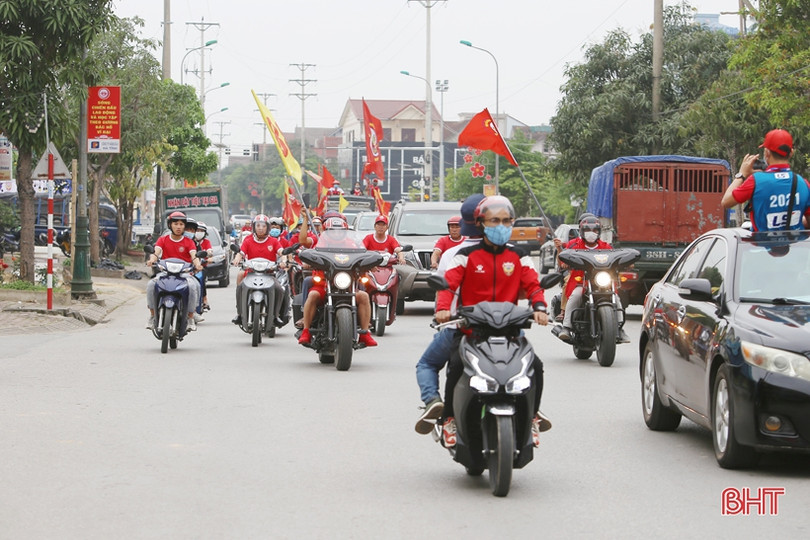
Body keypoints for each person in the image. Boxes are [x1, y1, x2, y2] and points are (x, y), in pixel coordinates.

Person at [435, 196, 552, 449]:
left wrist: (540, 308)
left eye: (506, 221)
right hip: (472, 331)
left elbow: (533, 286)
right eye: (494, 220)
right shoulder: (466, 256)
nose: (501, 226)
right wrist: (443, 309)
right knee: (455, 366)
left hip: (510, 333)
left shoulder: (519, 256)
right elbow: (448, 285)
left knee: (536, 366)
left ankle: (532, 417)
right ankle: (449, 420)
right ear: (481, 223)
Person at [414, 194, 484, 435]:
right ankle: (532, 411)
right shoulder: (509, 253)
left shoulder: (454, 255)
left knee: (427, 364)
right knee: (531, 365)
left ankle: (434, 402)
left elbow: (444, 288)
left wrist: (442, 313)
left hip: (460, 327)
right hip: (502, 327)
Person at [297, 213, 377, 348]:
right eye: (333, 231)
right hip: (324, 284)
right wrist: (305, 219)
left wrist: (370, 264)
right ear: (326, 231)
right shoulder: (319, 242)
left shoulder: (352, 244)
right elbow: (303, 240)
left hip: (347, 285)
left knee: (363, 296)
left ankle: (365, 333)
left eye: (340, 231)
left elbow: (362, 256)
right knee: (313, 295)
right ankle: (306, 331)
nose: (336, 233)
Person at [555, 215, 627, 343]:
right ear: (582, 231)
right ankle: (566, 327)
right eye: (588, 230)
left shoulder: (606, 246)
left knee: (616, 298)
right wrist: (562, 258)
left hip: (602, 282)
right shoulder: (574, 245)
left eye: (595, 230)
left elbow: (616, 259)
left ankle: (620, 328)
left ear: (599, 232)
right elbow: (563, 261)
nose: (591, 233)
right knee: (575, 296)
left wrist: (625, 263)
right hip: (581, 282)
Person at [721, 129, 810, 231]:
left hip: (762, 241)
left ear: (767, 153)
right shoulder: (803, 183)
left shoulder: (756, 181)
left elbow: (726, 202)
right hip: (795, 241)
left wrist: (741, 175)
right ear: (791, 153)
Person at [145, 211, 203, 331]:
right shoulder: (163, 240)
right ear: (170, 225)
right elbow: (156, 253)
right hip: (165, 273)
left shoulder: (189, 242)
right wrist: (151, 260)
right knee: (151, 284)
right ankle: (152, 315)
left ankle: (191, 316)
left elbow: (194, 256)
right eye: (175, 224)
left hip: (184, 274)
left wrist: (197, 264)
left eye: (181, 224)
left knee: (194, 285)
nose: (178, 227)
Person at [231, 214, 286, 327]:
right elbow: (241, 253)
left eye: (263, 226)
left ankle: (276, 316)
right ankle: (240, 314)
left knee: (279, 289)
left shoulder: (273, 241)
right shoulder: (248, 240)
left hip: (269, 275)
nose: (260, 228)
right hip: (251, 273)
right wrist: (236, 259)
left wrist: (284, 261)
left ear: (267, 228)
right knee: (240, 287)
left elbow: (282, 252)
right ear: (254, 227)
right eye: (258, 225)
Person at [195, 221, 213, 312]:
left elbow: (210, 252)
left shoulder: (206, 242)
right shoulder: (190, 241)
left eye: (201, 231)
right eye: (197, 230)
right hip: (189, 266)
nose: (199, 232)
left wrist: (209, 256)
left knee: (201, 278)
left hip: (201, 267)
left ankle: (204, 298)